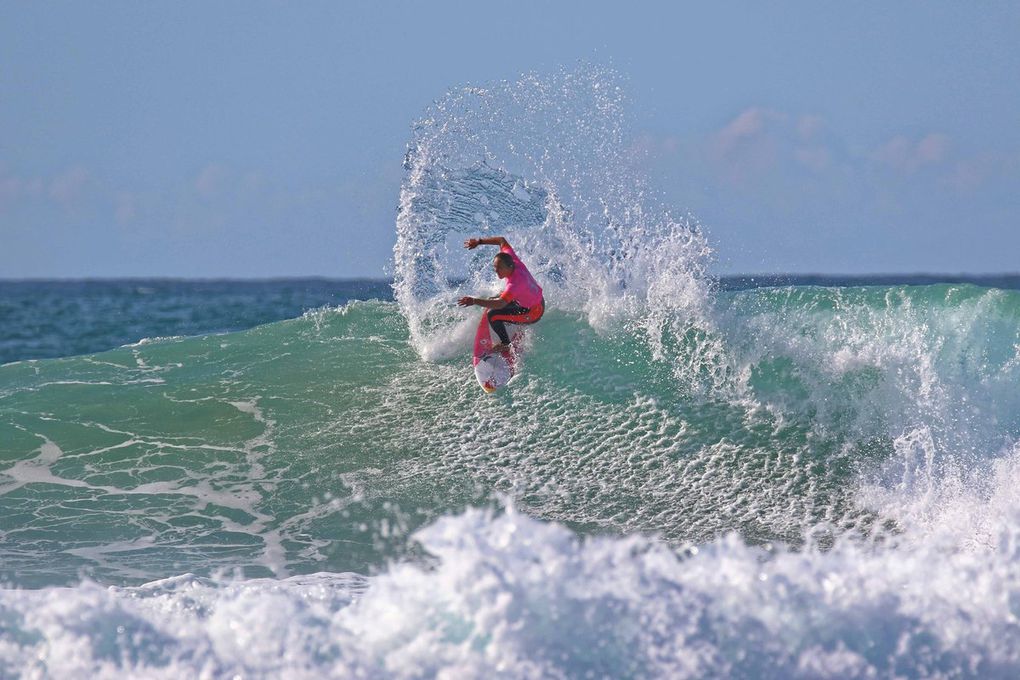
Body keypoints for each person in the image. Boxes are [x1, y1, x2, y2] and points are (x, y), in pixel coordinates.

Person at [457, 236, 544, 353]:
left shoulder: (515, 284)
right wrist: (479, 242)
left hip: (533, 313)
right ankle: (510, 320)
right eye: (495, 268)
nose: (496, 271)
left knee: (492, 314)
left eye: (500, 268)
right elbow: (501, 240)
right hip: (537, 300)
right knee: (493, 299)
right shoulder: (512, 259)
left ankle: (505, 344)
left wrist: (474, 301)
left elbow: (499, 304)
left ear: (509, 267)